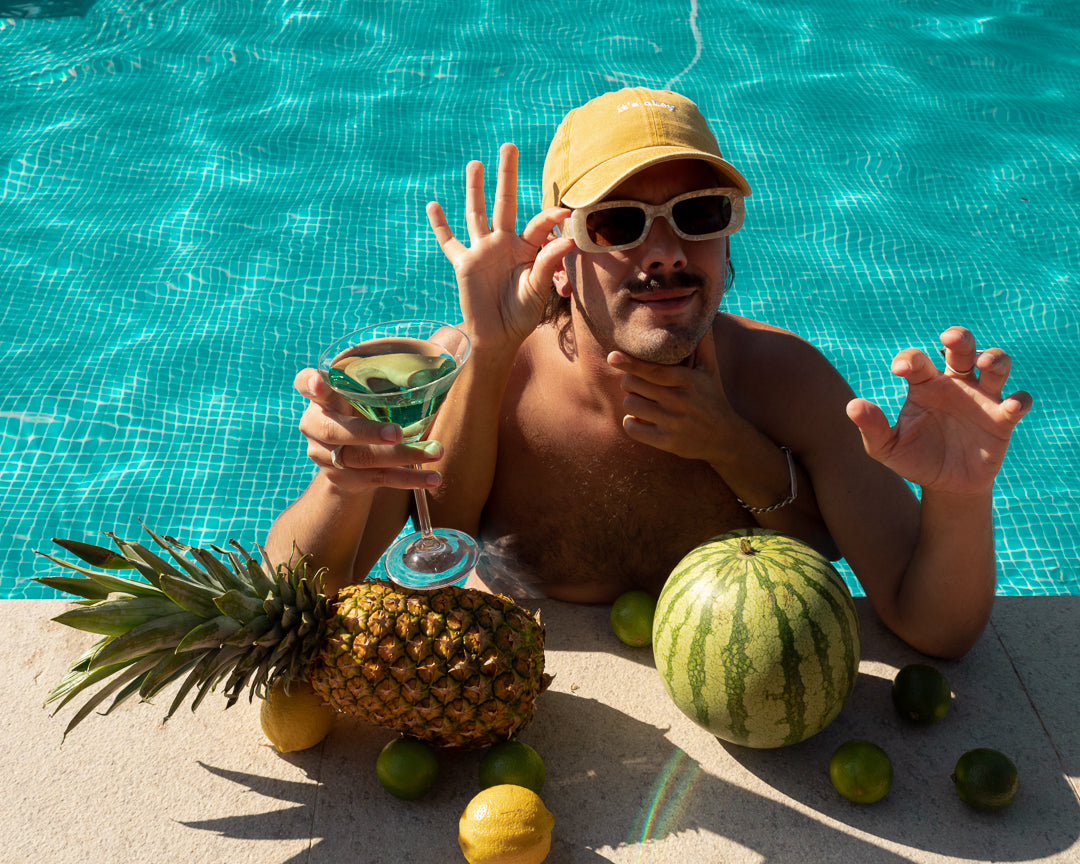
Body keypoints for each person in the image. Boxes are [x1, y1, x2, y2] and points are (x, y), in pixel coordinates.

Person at [265, 88, 1032, 659]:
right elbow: (291, 603)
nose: (663, 252)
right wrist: (343, 478)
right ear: (560, 263)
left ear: (728, 246)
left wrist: (958, 499)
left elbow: (934, 625)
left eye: (697, 215)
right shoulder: (470, 368)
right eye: (617, 223)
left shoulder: (783, 382)